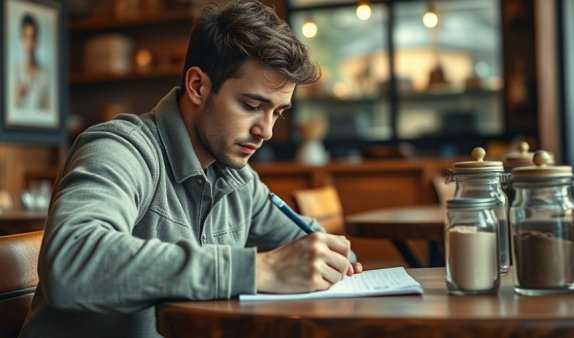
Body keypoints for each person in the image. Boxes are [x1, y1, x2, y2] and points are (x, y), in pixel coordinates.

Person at [19, 1, 362, 337]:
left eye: (278, 113)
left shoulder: (238, 179)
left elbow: (314, 244)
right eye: (252, 105)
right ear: (198, 86)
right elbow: (73, 260)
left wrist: (329, 259)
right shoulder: (118, 149)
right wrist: (260, 270)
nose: (266, 131)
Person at [13, 13, 51, 110]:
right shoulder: (15, 71)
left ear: (37, 39)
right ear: (22, 39)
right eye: (26, 37)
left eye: (32, 37)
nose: (30, 43)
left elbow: (49, 109)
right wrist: (18, 95)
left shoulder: (45, 74)